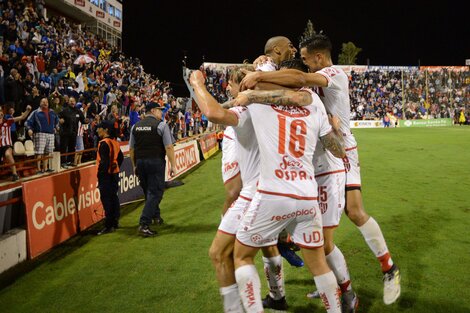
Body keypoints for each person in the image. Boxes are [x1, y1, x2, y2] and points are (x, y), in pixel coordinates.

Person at [240, 33, 401, 305]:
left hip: (340, 153)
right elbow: (292, 80)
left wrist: (255, 77)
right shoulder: (306, 78)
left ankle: (385, 270)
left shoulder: (333, 73)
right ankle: (330, 280)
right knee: (311, 233)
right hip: (316, 162)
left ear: (318, 57)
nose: (302, 63)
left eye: (304, 58)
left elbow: (299, 79)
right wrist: (258, 67)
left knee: (352, 213)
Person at [192, 68, 346, 313]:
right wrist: (335, 127)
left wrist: (197, 83)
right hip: (308, 195)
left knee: (240, 257)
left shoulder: (256, 103)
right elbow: (338, 150)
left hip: (272, 193)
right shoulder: (312, 100)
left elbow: (213, 112)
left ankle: (254, 306)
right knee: (318, 265)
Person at [191, 66, 291, 312]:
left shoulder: (247, 111)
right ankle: (277, 297)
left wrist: (197, 85)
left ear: (245, 87)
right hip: (281, 189)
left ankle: (238, 308)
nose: (230, 90)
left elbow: (213, 113)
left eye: (235, 85)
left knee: (223, 254)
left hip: (255, 192)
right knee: (266, 244)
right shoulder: (278, 108)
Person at [129, 102, 176, 237]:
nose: (162, 113)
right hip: (155, 162)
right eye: (160, 110)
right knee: (155, 193)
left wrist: (134, 165)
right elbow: (169, 147)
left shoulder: (135, 127)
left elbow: (131, 149)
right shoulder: (161, 125)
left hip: (140, 163)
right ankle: (144, 223)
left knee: (149, 192)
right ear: (154, 110)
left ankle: (156, 217)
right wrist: (173, 165)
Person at [96, 120, 123, 235]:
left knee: (106, 200)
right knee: (113, 197)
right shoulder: (115, 142)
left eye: (99, 128)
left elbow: (104, 162)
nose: (97, 130)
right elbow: (121, 157)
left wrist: (100, 175)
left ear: (105, 130)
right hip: (114, 173)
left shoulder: (103, 143)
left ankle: (108, 225)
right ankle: (115, 221)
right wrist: (116, 167)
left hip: (106, 175)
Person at [26, 98, 59, 173]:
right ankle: (38, 169)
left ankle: (45, 168)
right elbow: (28, 122)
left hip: (50, 134)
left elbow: (57, 121)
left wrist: (56, 127)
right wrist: (29, 129)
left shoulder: (52, 112)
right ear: (40, 103)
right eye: (43, 102)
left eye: (46, 102)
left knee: (47, 152)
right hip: (40, 134)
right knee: (39, 152)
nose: (45, 103)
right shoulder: (35, 112)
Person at [0, 105, 32, 181]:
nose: (0, 112)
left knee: (8, 154)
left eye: (0, 111)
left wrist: (28, 110)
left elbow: (22, 117)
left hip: (7, 145)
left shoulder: (8, 121)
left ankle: (14, 174)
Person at [58, 97, 88, 167]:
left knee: (72, 148)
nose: (72, 102)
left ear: (75, 102)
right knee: (64, 148)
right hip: (65, 133)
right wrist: (60, 119)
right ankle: (63, 163)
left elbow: (83, 121)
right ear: (68, 102)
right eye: (71, 101)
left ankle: (70, 161)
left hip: (74, 133)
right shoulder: (64, 110)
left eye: (73, 101)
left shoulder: (78, 111)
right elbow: (58, 116)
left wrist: (87, 120)